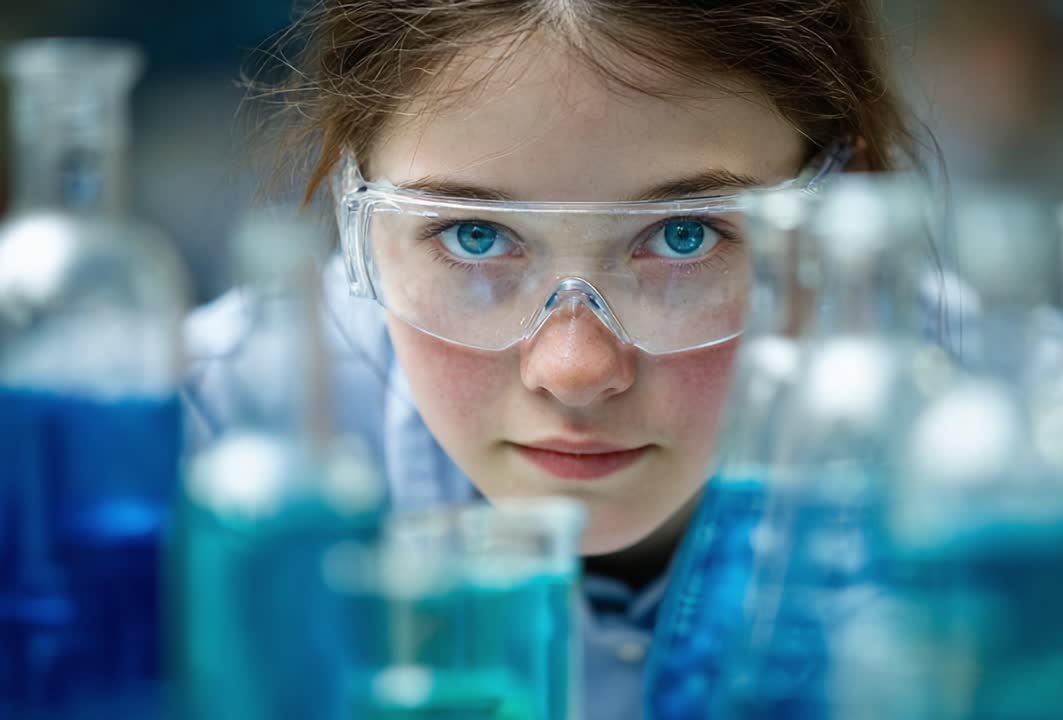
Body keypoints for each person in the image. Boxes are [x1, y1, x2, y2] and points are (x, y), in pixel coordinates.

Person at [183, 1, 917, 717]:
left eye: (684, 235)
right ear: (355, 215)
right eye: (474, 235)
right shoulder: (202, 442)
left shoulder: (988, 463)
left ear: (841, 215)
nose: (574, 369)